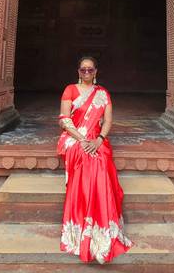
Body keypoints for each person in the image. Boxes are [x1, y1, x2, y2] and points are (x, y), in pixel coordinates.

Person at [57, 56, 133, 264]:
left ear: (96, 72)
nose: (87, 73)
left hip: (96, 139)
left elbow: (107, 120)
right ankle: (83, 223)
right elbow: (64, 119)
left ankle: (101, 226)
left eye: (90, 70)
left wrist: (99, 140)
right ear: (78, 72)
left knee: (100, 159)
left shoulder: (103, 93)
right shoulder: (70, 90)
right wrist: (82, 139)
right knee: (86, 157)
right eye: (83, 70)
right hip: (74, 138)